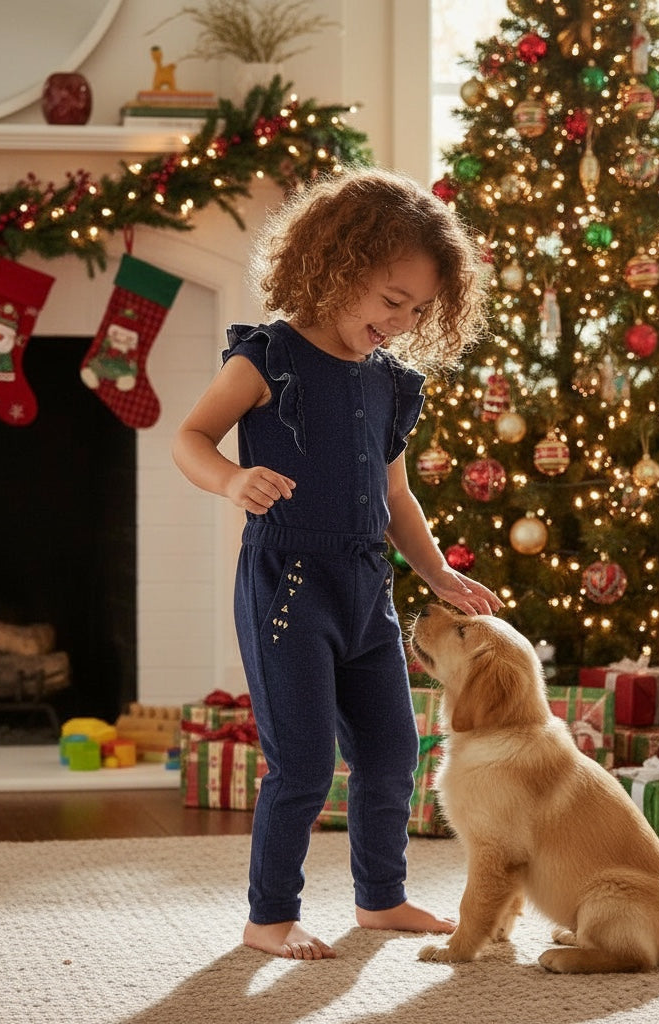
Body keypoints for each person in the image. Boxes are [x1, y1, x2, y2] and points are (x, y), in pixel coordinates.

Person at [172, 166, 501, 960]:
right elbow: (190, 438)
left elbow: (395, 494)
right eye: (392, 301)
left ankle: (380, 899)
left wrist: (435, 575)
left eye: (419, 310)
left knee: (391, 751)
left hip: (365, 589)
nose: (401, 321)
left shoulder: (390, 384)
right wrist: (232, 479)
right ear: (335, 266)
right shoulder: (269, 357)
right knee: (304, 762)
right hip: (287, 585)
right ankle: (269, 916)